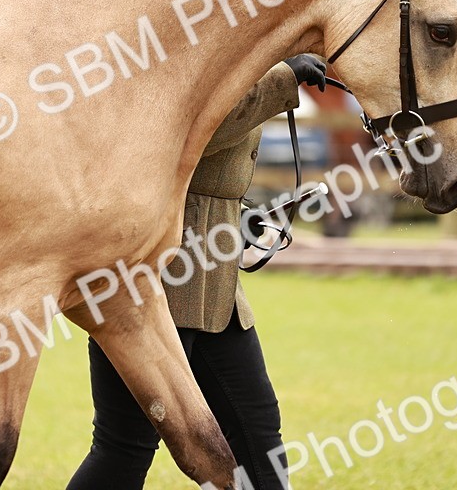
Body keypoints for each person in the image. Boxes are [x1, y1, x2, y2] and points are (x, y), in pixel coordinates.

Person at [66, 54, 329, 490]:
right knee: (125, 447)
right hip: (153, 285)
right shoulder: (184, 46)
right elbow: (201, 129)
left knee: (259, 435)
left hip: (217, 294)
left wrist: (236, 216)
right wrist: (283, 78)